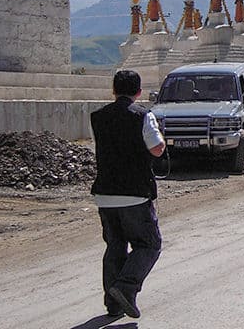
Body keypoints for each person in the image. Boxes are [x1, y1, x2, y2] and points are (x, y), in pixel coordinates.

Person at [90, 70, 166, 319]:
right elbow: (156, 149)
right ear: (138, 92)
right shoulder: (143, 116)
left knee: (115, 245)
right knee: (149, 244)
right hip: (135, 193)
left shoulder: (98, 117)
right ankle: (125, 287)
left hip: (105, 193)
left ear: (113, 91)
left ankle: (113, 304)